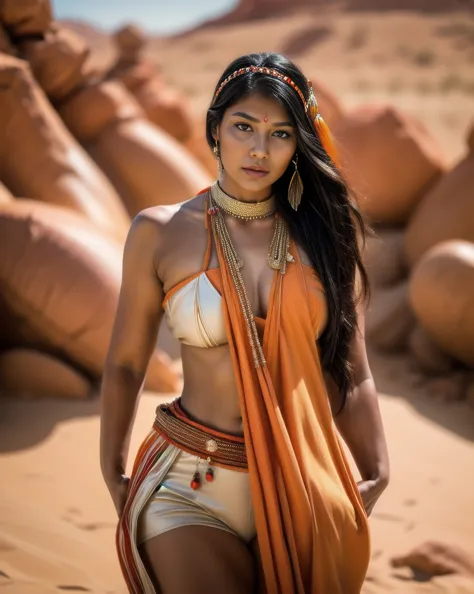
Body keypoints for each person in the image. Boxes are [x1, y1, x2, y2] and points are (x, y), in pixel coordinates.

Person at [100, 52, 390, 594]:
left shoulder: (328, 237)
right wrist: (111, 468)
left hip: (299, 481)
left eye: (281, 133)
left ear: (299, 144)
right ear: (215, 129)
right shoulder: (159, 233)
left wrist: (377, 468)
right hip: (189, 480)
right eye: (243, 127)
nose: (260, 149)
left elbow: (353, 368)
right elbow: (124, 361)